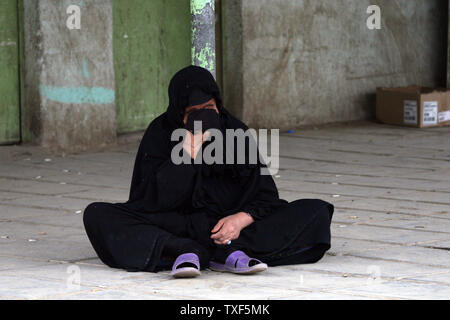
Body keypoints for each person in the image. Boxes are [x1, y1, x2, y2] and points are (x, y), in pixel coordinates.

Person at [83, 65, 334, 278]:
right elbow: (147, 200)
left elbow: (266, 195)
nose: (204, 117)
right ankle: (193, 249)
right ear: (178, 111)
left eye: (209, 108)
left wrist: (240, 219)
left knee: (316, 211)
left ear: (218, 105)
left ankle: (210, 250)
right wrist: (189, 149)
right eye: (194, 113)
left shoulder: (235, 130)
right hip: (175, 226)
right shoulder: (160, 132)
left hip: (227, 226)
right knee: (98, 215)